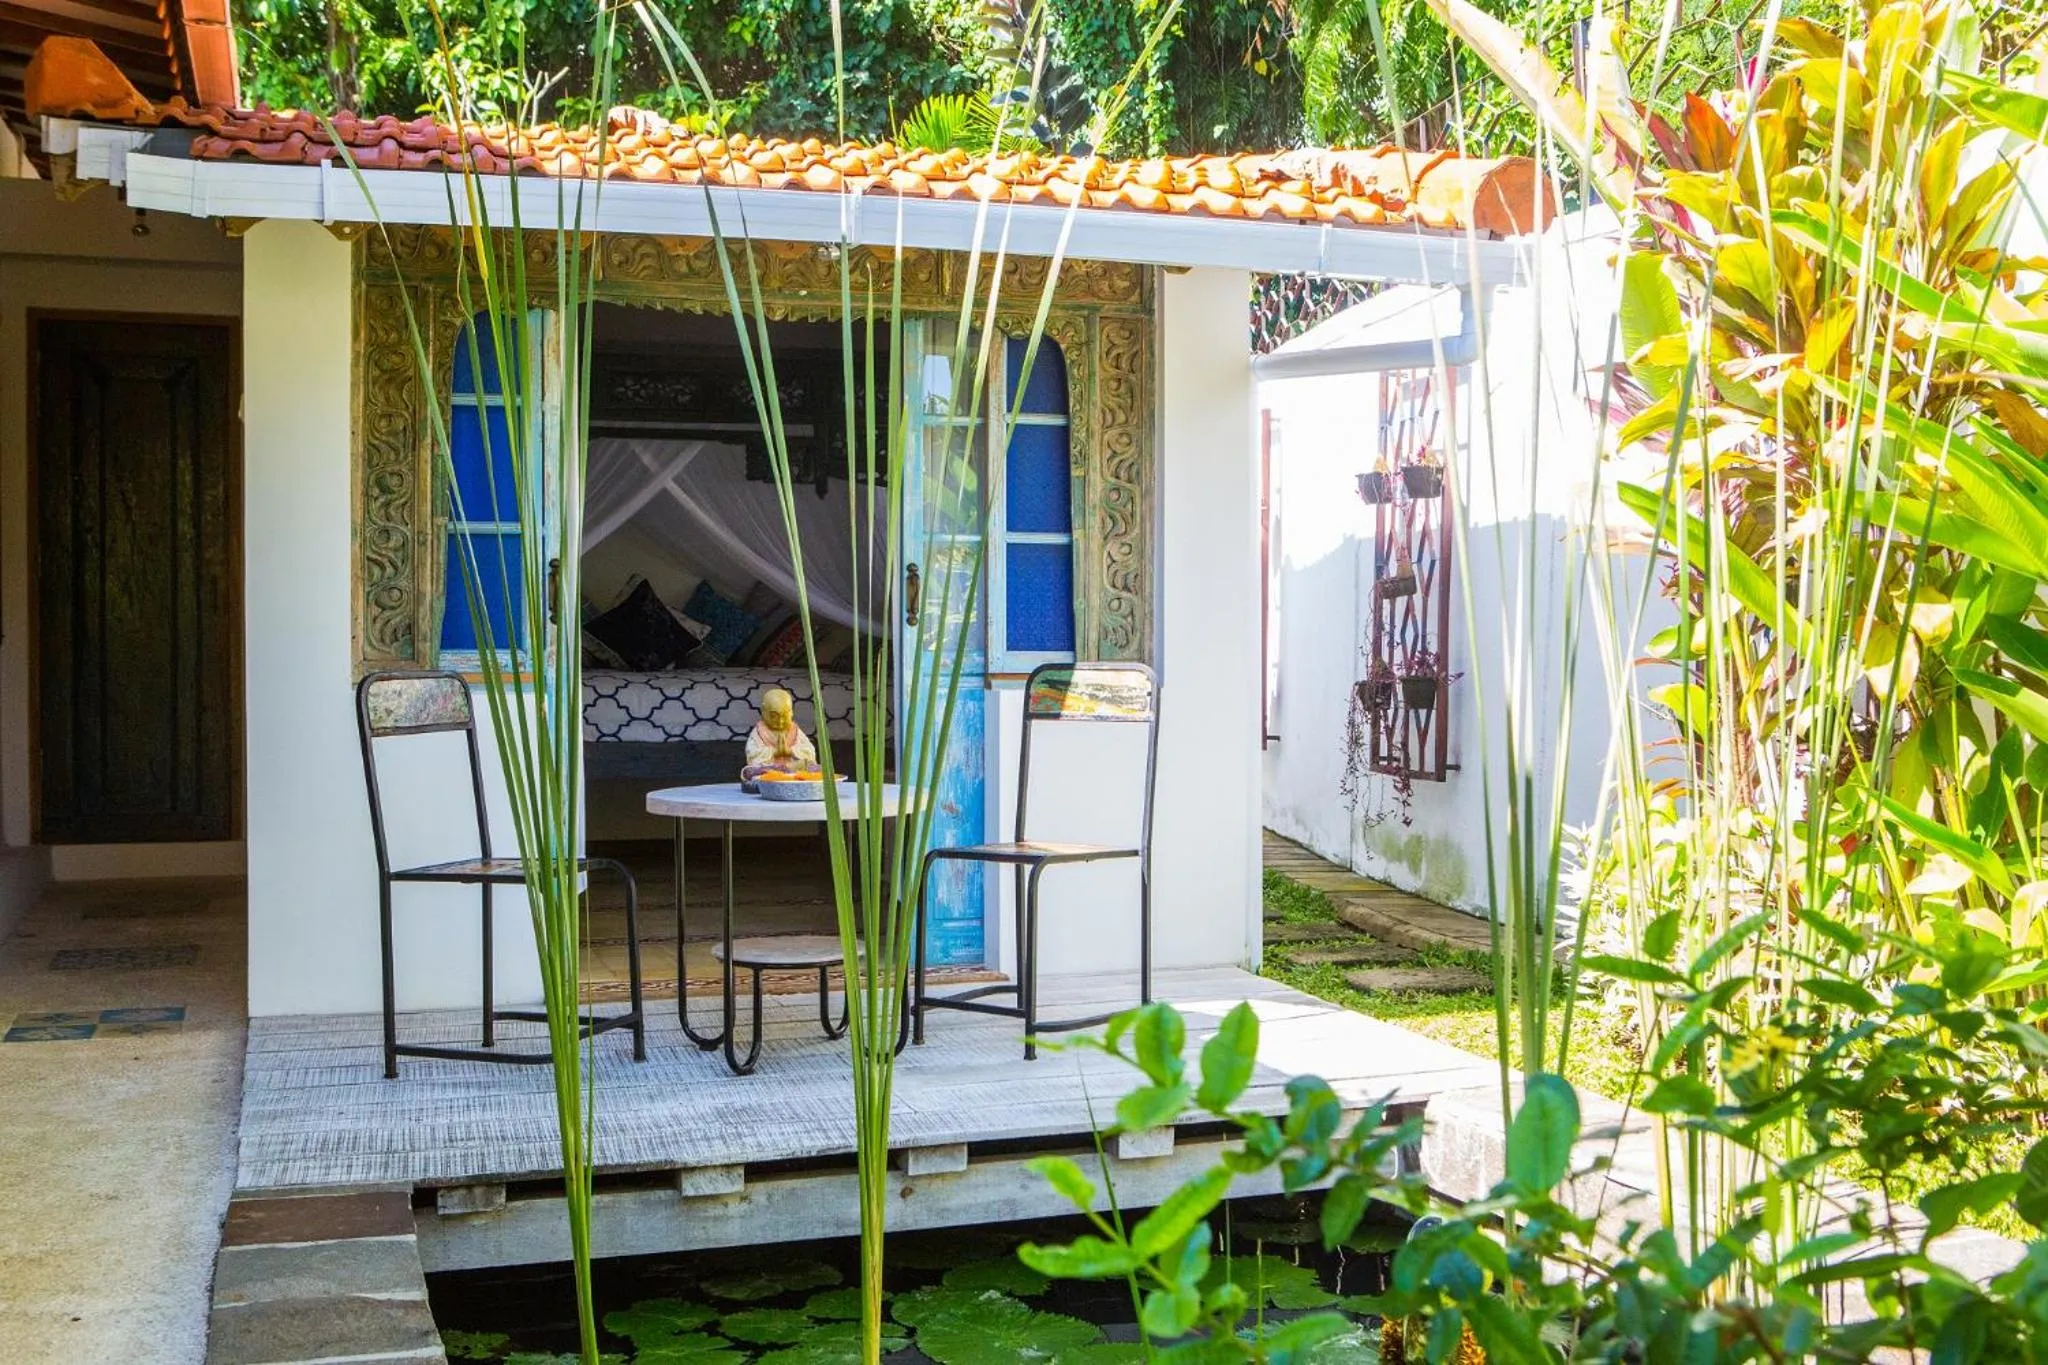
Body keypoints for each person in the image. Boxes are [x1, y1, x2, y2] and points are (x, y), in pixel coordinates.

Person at [741, 687, 817, 782]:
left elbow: (809, 751)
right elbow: (752, 754)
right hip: (770, 769)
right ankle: (778, 773)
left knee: (817, 768)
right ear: (763, 711)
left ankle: (789, 773)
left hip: (794, 768)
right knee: (749, 771)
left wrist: (790, 751)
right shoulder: (760, 731)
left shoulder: (794, 730)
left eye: (785, 716)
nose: (780, 721)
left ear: (791, 712)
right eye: (773, 716)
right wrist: (775, 752)